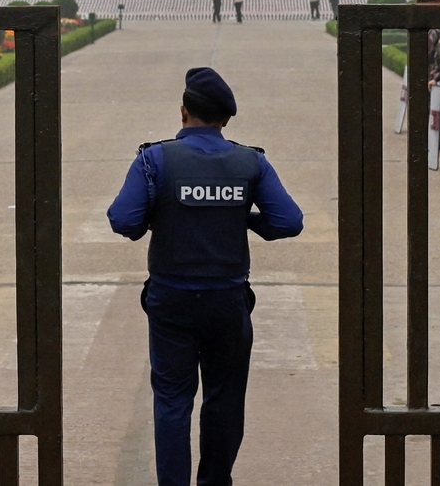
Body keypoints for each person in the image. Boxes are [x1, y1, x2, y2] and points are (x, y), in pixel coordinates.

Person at [106, 67, 304, 486]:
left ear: (183, 112)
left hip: (171, 300)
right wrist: (243, 218)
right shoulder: (250, 161)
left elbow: (124, 219)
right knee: (225, 401)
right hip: (227, 303)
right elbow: (288, 221)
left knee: (173, 401)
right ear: (226, 119)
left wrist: (158, 216)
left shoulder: (154, 159)